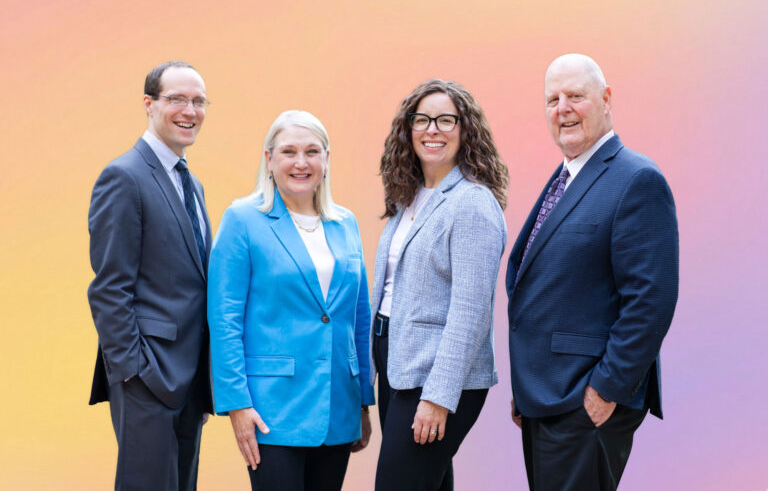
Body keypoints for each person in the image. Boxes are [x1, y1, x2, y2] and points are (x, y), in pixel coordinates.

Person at [506, 54, 679, 491]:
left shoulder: (636, 179)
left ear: (605, 99)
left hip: (585, 399)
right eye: (552, 99)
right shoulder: (568, 176)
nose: (562, 108)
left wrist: (607, 389)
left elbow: (651, 299)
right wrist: (529, 385)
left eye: (575, 96)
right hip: (547, 397)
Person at [208, 110, 374, 491]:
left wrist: (363, 401)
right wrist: (237, 404)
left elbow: (358, 318)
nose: (301, 162)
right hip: (270, 411)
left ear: (326, 159)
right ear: (269, 159)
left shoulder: (344, 223)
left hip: (338, 405)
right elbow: (224, 320)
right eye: (289, 152)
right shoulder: (242, 219)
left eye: (312, 151)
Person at [371, 79, 508, 491]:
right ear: (407, 130)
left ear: (465, 130)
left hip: (434, 376)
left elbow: (470, 311)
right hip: (396, 362)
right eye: (423, 120)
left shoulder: (472, 204)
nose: (433, 129)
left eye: (446, 120)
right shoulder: (407, 199)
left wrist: (439, 396)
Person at [87, 60, 213, 490]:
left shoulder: (191, 184)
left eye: (198, 101)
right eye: (177, 99)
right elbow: (109, 288)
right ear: (149, 104)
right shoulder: (123, 176)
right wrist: (134, 372)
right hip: (147, 378)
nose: (189, 111)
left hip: (190, 379)